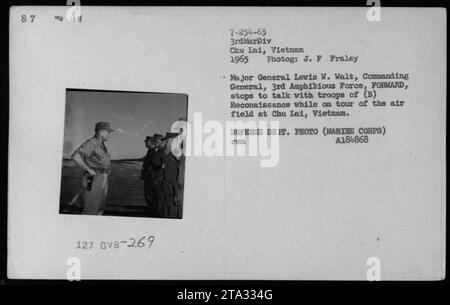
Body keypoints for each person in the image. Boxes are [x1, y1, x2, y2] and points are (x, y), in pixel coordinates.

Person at [71, 122, 114, 215]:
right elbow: (75, 156)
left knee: (100, 207)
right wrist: (88, 169)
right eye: (108, 132)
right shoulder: (92, 143)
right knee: (91, 208)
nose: (109, 134)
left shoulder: (101, 145)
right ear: (102, 132)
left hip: (103, 178)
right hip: (94, 179)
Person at [161, 132, 182, 218]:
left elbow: (178, 176)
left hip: (173, 189)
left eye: (167, 141)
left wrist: (176, 193)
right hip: (168, 187)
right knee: (167, 211)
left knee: (172, 214)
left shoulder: (177, 154)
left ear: (173, 141)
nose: (165, 143)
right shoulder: (170, 154)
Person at [140, 136, 156, 215]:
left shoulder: (153, 151)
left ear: (151, 142)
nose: (145, 143)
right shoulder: (150, 151)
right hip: (148, 175)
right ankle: (150, 208)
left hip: (150, 176)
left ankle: (152, 209)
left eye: (147, 142)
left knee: (150, 193)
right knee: (148, 193)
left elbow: (153, 164)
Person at [150, 133, 165, 217]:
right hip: (155, 177)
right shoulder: (157, 151)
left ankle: (160, 215)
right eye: (154, 141)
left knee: (159, 198)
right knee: (156, 197)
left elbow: (164, 165)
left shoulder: (162, 151)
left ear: (160, 141)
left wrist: (156, 168)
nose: (154, 142)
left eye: (156, 141)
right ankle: (157, 212)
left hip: (159, 178)